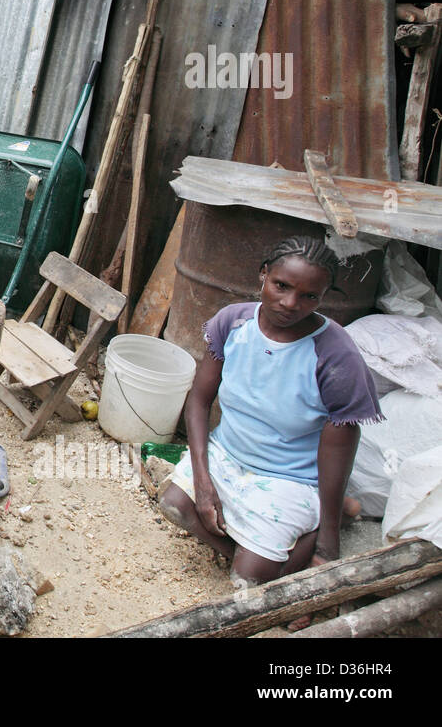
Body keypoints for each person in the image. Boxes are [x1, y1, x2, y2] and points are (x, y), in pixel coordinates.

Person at [159, 235, 383, 588]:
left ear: (323, 297)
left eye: (310, 296)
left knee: (247, 578)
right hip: (227, 456)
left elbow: (339, 447)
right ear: (263, 274)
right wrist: (203, 482)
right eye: (281, 285)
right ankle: (275, 547)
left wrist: (327, 543)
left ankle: (326, 519)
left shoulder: (335, 355)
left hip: (289, 478)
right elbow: (199, 401)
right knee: (174, 505)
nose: (291, 303)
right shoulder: (232, 324)